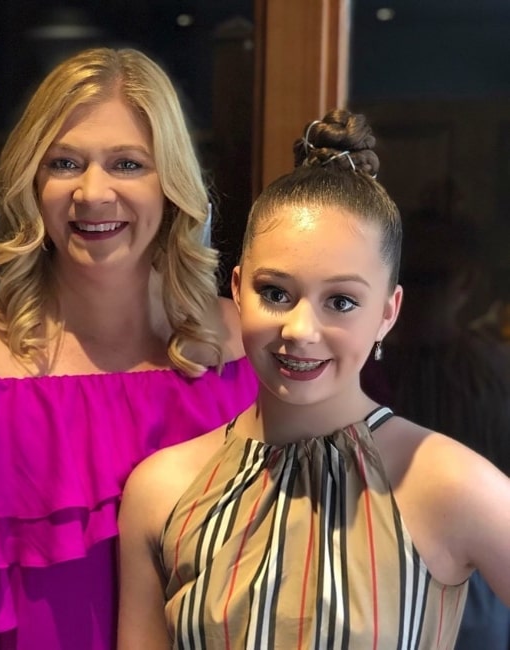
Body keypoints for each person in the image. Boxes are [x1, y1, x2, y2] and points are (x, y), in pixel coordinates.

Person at [0, 47, 258, 650]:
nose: (93, 193)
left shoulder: (245, 351)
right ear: (32, 182)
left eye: (128, 164)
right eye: (65, 163)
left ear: (172, 182)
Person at [117, 109, 510, 649]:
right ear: (236, 289)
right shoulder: (161, 490)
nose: (300, 330)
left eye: (341, 301)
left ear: (388, 313)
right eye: (275, 293)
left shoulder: (451, 485)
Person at [374, 214, 510, 649]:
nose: (417, 296)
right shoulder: (367, 371)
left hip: (481, 568)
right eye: (407, 277)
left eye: (429, 278)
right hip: (385, 556)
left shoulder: (492, 370)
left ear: (466, 283)